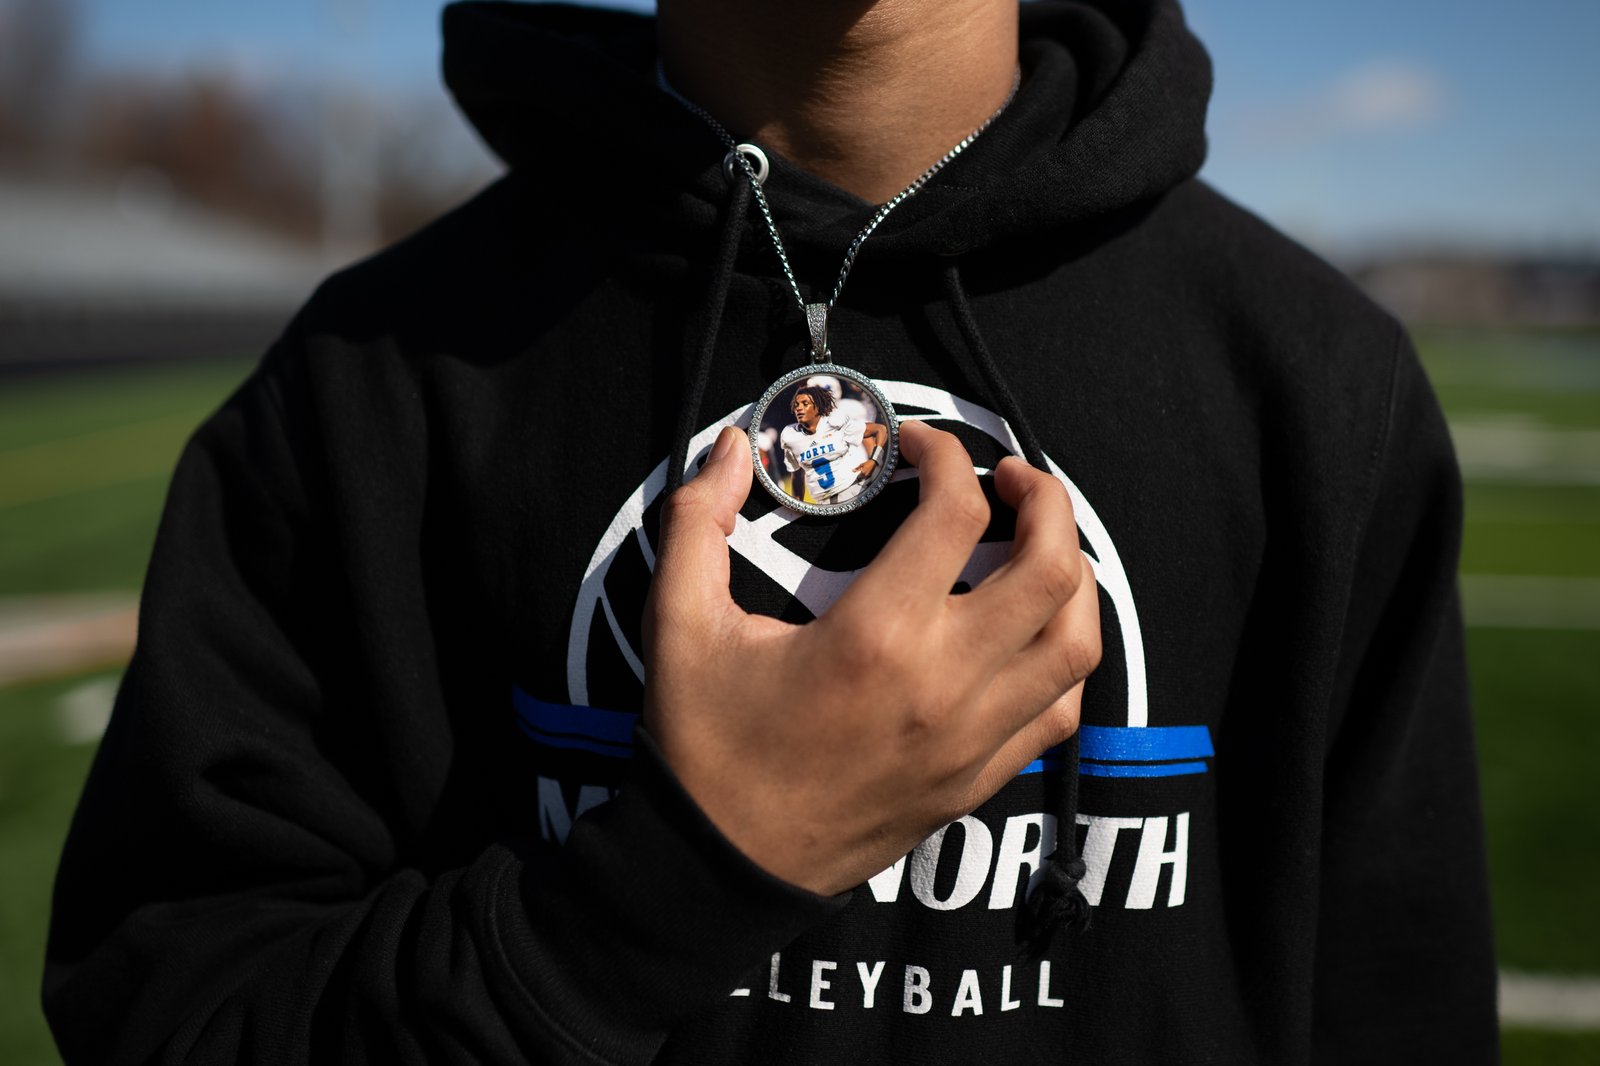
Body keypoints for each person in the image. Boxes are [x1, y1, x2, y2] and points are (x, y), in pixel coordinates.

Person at [44, 0, 1498, 1062]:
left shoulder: (1319, 387)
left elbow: (1402, 1007)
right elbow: (168, 1006)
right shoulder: (369, 383)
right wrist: (677, 877)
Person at [778, 385, 887, 504]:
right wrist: (797, 506)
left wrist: (874, 460)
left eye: (805, 403)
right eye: (796, 405)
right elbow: (797, 476)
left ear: (818, 406)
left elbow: (880, 430)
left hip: (853, 489)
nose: (799, 408)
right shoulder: (790, 435)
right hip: (823, 503)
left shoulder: (835, 422)